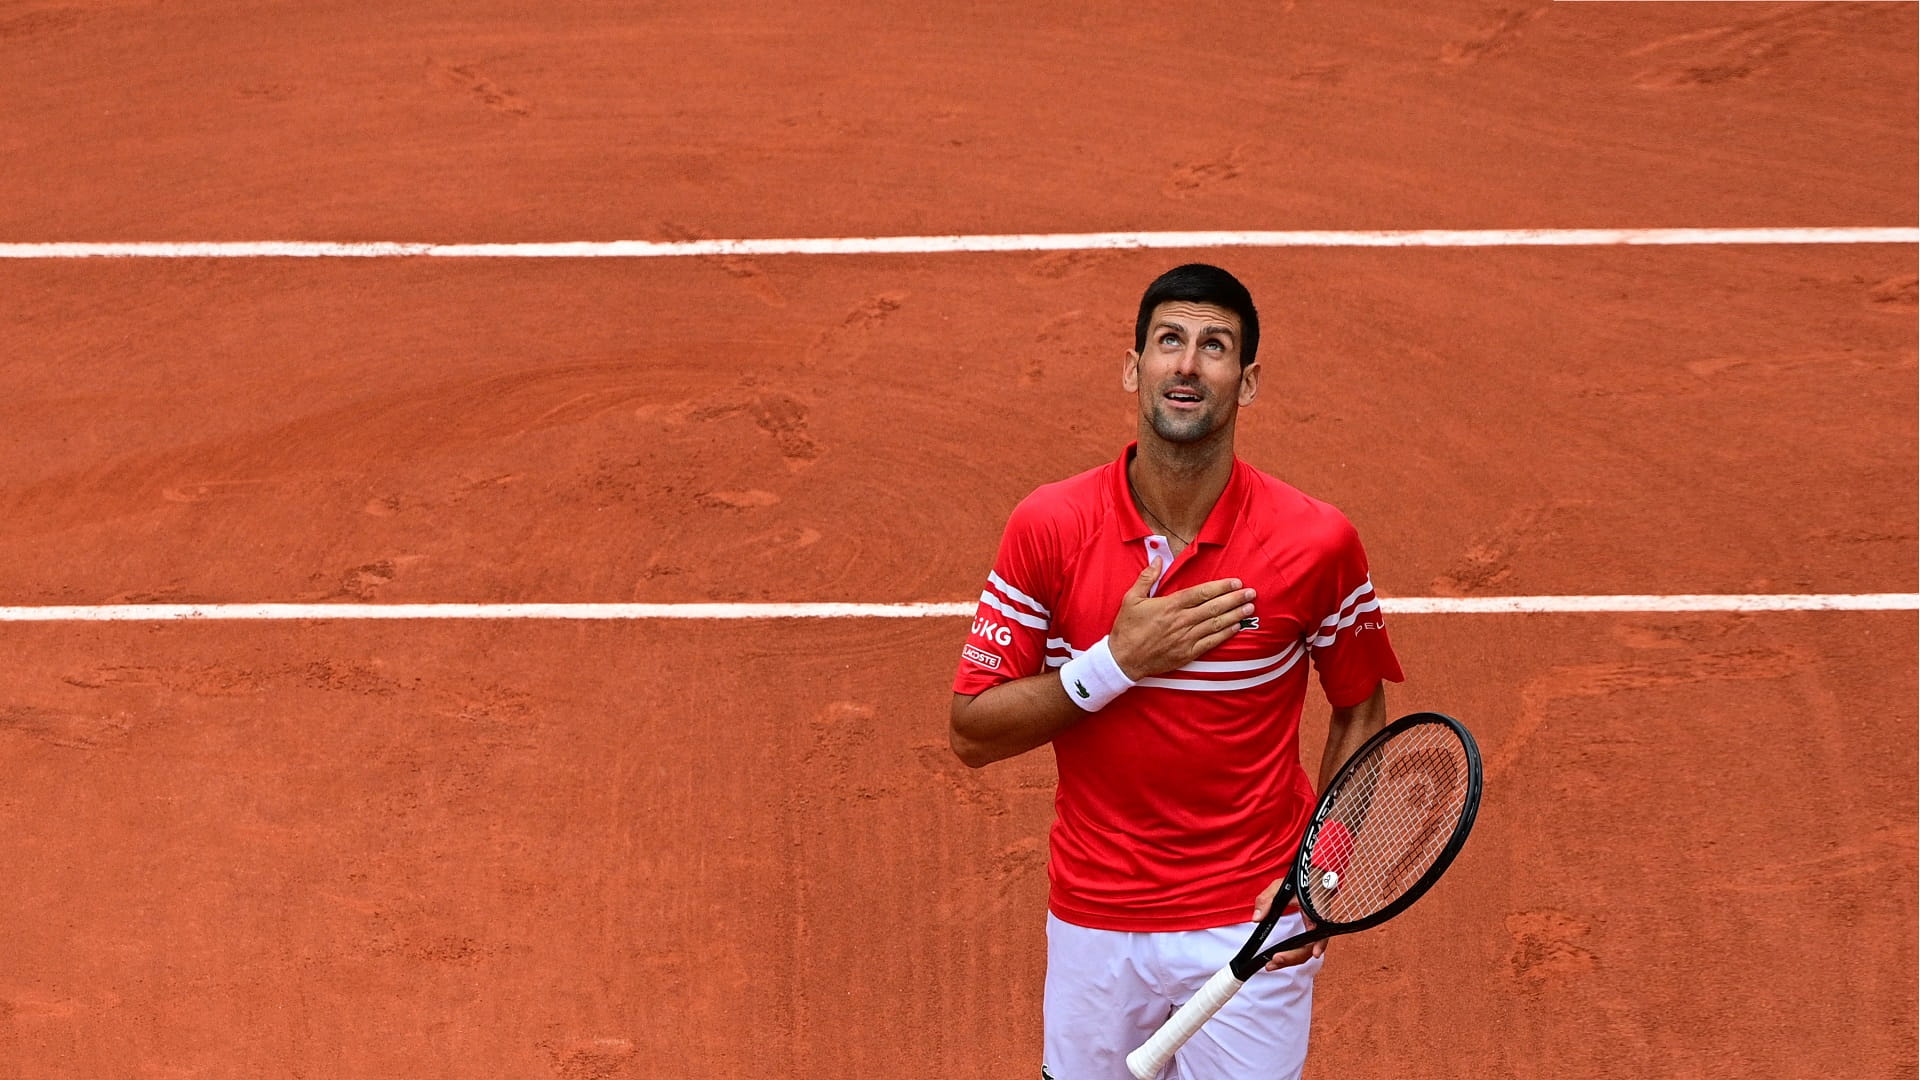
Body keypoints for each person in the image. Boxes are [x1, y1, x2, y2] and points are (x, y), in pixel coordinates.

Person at [949, 263, 1405, 1080]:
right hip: (1094, 920)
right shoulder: (1048, 527)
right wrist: (1113, 665)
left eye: (1214, 346)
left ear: (1248, 381)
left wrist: (1320, 867)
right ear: (1134, 367)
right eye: (1169, 342)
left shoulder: (1317, 543)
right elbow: (971, 731)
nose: (1188, 365)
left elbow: (1359, 708)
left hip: (1251, 921)